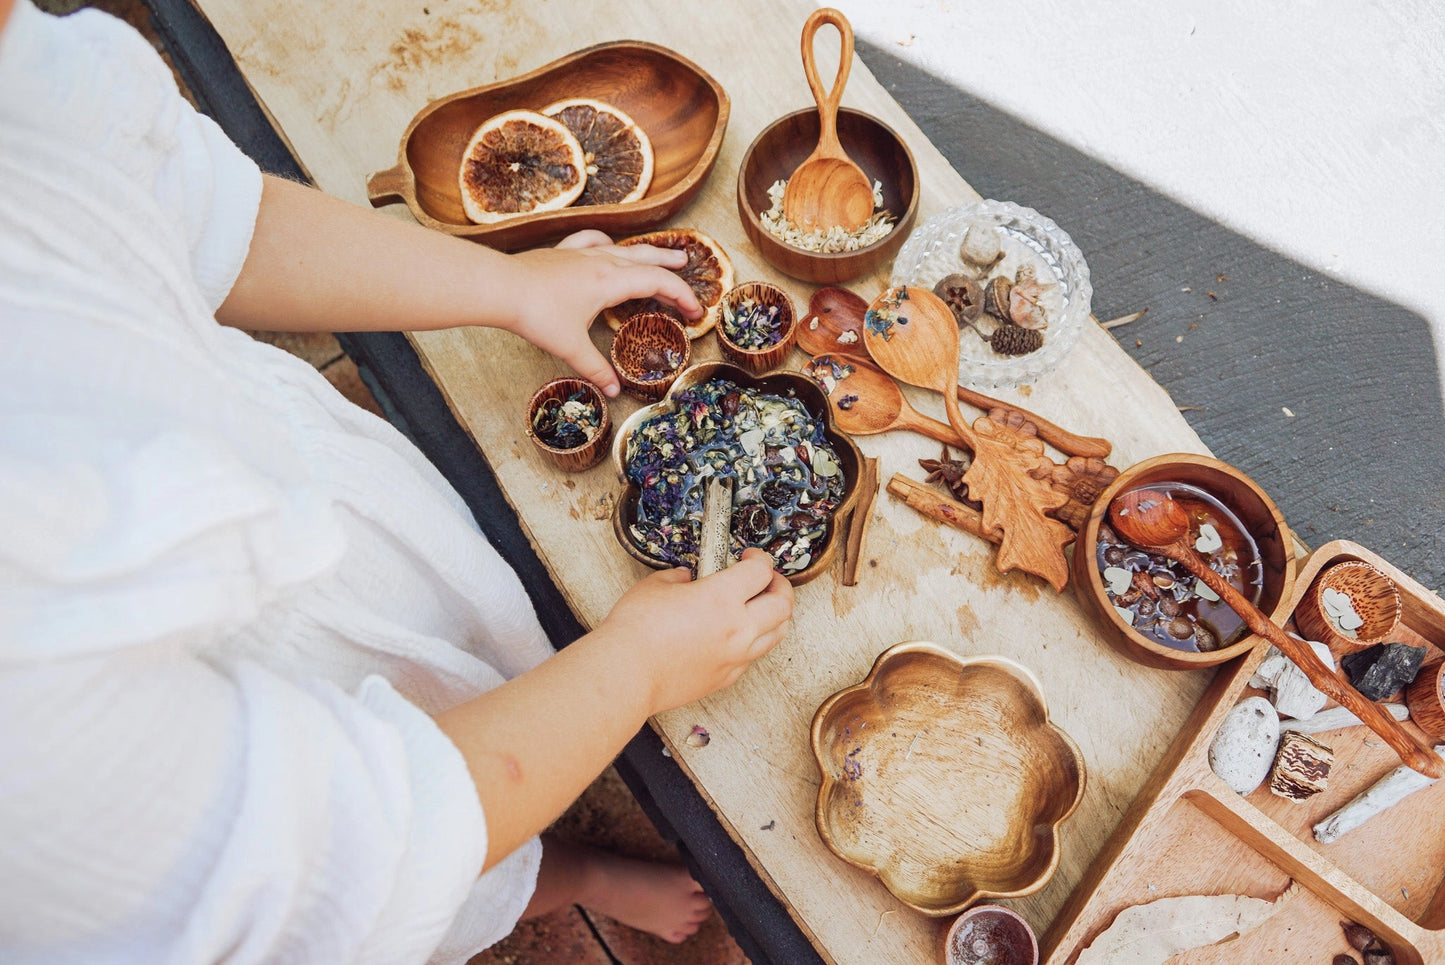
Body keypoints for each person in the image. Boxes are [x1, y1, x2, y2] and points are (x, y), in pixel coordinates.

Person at [0, 0, 794, 962]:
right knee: (451, 878)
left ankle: (544, 836)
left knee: (471, 669)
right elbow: (356, 858)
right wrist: (636, 669)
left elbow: (189, 202)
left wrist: (509, 285)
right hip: (306, 745)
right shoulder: (32, 724)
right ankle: (562, 878)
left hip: (316, 510)